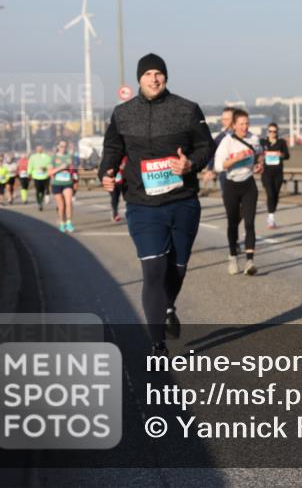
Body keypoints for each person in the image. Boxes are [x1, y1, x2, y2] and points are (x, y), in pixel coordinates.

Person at [100, 54, 213, 356]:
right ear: (139, 78)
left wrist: (190, 164)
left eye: (158, 73)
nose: (153, 78)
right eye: (148, 73)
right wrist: (106, 172)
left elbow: (206, 146)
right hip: (142, 204)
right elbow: (112, 148)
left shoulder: (187, 109)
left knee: (176, 269)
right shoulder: (123, 113)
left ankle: (168, 306)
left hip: (182, 202)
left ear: (166, 77)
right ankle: (156, 343)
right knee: (153, 269)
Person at [214, 109, 263, 275]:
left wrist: (259, 165)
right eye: (241, 124)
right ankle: (233, 257)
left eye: (247, 123)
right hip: (231, 185)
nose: (245, 127)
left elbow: (259, 155)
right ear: (234, 125)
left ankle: (250, 261)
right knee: (233, 223)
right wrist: (237, 158)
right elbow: (219, 166)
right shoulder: (227, 142)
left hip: (248, 184)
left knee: (249, 223)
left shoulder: (254, 139)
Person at [259, 122, 289, 228]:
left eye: (274, 131)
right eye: (270, 131)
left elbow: (287, 155)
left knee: (275, 195)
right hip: (266, 172)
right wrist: (260, 158)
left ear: (277, 132)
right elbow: (257, 153)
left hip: (278, 172)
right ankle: (271, 218)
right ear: (267, 132)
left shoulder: (281, 143)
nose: (272, 133)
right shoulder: (263, 142)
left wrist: (281, 155)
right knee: (270, 194)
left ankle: (272, 214)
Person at [205, 106, 236, 192]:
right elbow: (212, 152)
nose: (224, 121)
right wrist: (210, 169)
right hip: (225, 173)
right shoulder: (220, 137)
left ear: (234, 119)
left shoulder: (243, 135)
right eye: (223, 119)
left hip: (242, 171)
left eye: (227, 119)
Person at [48, 140, 76, 232]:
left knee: (69, 203)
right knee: (61, 206)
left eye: (64, 146)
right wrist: (61, 168)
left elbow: (73, 169)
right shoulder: (53, 158)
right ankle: (62, 222)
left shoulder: (69, 157)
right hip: (56, 184)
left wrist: (71, 171)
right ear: (58, 147)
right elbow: (50, 172)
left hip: (67, 183)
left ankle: (69, 222)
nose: (63, 148)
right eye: (61, 146)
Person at [27, 145, 52, 211]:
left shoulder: (47, 156)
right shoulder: (33, 157)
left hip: (45, 175)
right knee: (38, 190)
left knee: (43, 190)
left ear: (42, 149)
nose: (39, 150)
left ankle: (41, 202)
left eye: (40, 149)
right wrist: (29, 173)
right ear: (36, 149)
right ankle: (39, 202)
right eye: (38, 149)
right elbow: (30, 165)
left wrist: (45, 168)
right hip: (36, 176)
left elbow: (50, 164)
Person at [110, 156, 128, 222]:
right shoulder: (114, 155)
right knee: (115, 197)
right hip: (114, 179)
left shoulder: (126, 156)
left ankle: (130, 212)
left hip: (124, 180)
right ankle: (115, 213)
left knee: (128, 197)